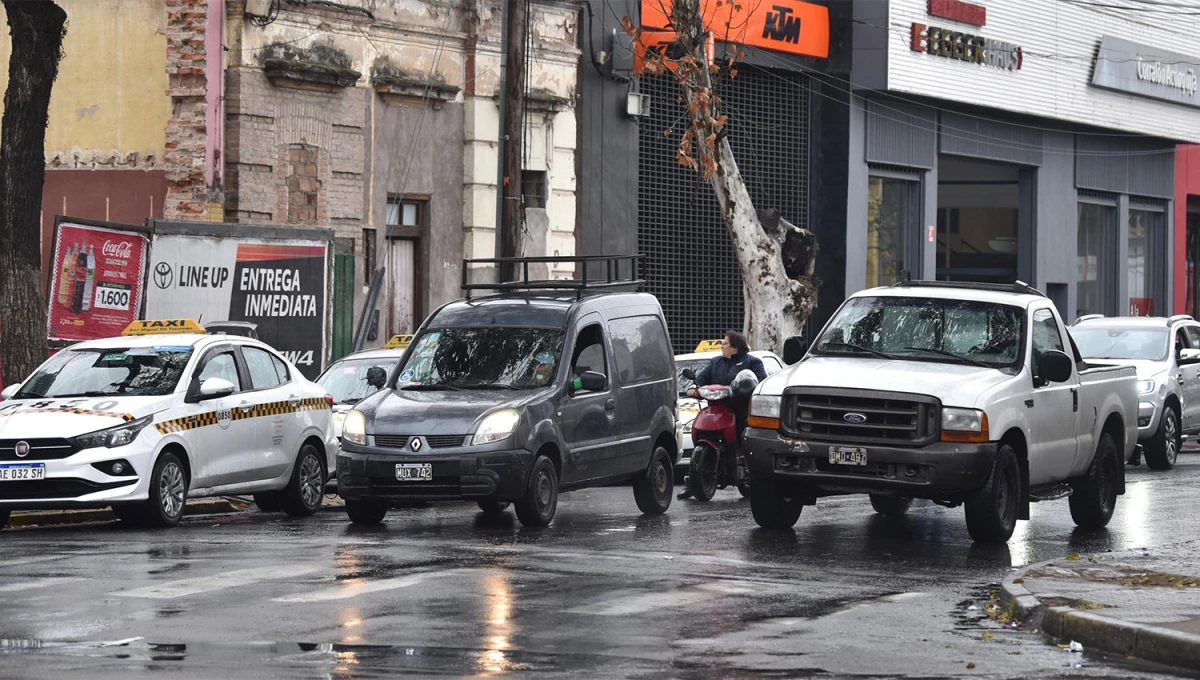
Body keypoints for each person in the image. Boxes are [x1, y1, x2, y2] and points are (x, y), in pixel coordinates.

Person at [679, 330, 767, 500]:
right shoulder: (715, 362)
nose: (722, 346)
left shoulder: (752, 362)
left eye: (725, 343)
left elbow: (761, 381)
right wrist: (694, 387)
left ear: (735, 348)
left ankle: (756, 476)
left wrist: (748, 389)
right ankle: (692, 482)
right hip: (717, 409)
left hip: (740, 411)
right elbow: (701, 379)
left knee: (748, 439)